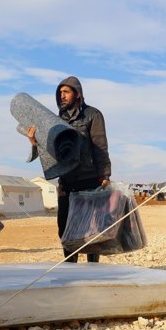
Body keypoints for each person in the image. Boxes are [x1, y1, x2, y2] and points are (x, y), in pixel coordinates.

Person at [26, 76, 111, 263]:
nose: (62, 96)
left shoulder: (92, 115)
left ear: (77, 93)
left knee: (91, 230)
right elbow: (50, 153)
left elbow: (100, 147)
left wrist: (105, 175)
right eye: (60, 93)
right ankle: (70, 270)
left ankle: (92, 270)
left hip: (90, 180)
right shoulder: (55, 121)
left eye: (66, 92)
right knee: (65, 229)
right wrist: (34, 143)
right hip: (67, 183)